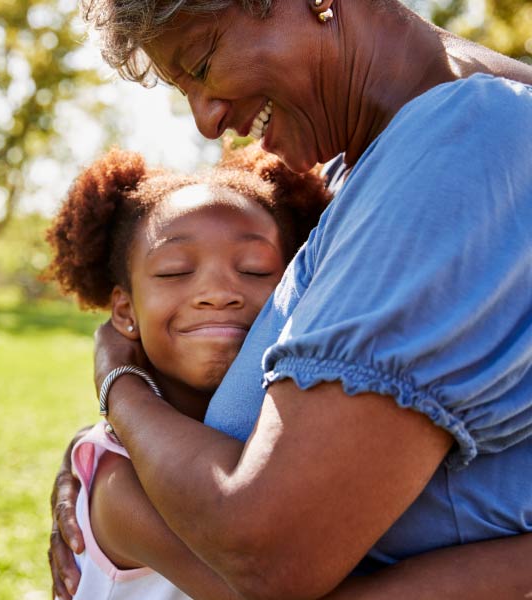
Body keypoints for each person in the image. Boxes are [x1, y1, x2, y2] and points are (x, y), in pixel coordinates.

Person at [48, 0, 532, 598]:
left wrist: (116, 381)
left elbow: (267, 554)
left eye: (200, 63)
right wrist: (103, 457)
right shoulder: (348, 177)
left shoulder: (463, 146)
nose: (205, 120)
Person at [45, 145, 330, 599]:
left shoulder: (288, 424)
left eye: (254, 269)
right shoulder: (120, 481)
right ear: (124, 309)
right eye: (176, 271)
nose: (218, 292)